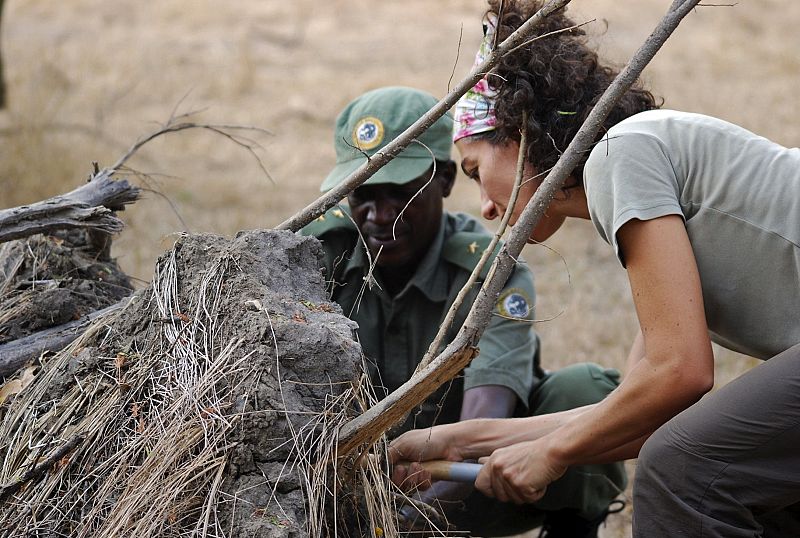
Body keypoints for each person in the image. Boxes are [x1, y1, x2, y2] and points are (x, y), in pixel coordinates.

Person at [388, 2, 800, 537]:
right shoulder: (641, 176)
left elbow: (680, 372)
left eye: (474, 171)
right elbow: (644, 409)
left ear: (516, 131)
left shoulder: (620, 156)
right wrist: (465, 440)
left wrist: (551, 453)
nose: (486, 209)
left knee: (681, 473)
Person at [301, 86, 627, 537]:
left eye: (400, 194)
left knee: (584, 392)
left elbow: (482, 421)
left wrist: (408, 524)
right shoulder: (315, 258)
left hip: (470, 484)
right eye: (363, 195)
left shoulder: (487, 272)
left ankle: (574, 524)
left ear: (444, 181)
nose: (380, 215)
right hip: (335, 489)